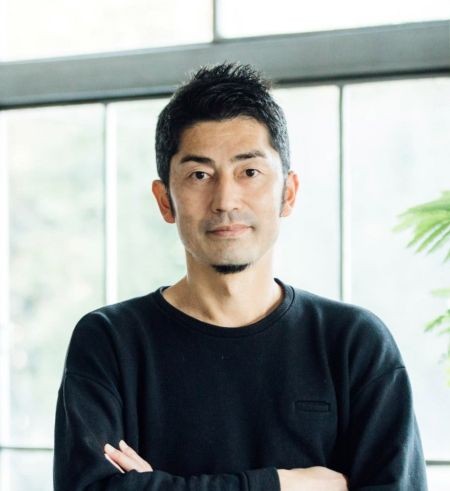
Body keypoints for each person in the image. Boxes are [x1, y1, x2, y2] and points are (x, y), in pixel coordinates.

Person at [53, 62, 428, 490]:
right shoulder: (109, 341)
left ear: (288, 193)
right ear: (165, 201)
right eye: (199, 175)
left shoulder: (353, 343)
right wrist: (285, 484)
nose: (226, 200)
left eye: (249, 172)